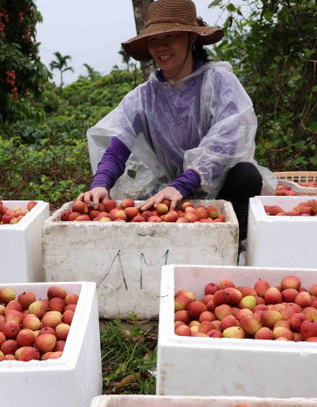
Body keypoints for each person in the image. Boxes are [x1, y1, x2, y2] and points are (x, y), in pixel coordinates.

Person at [77, 0, 274, 241]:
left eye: (171, 36)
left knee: (246, 176)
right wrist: (100, 184)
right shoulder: (144, 96)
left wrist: (184, 185)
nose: (161, 47)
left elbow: (225, 144)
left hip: (216, 185)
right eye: (153, 39)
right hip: (168, 190)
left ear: (191, 39)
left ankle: (233, 244)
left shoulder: (219, 82)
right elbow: (118, 148)